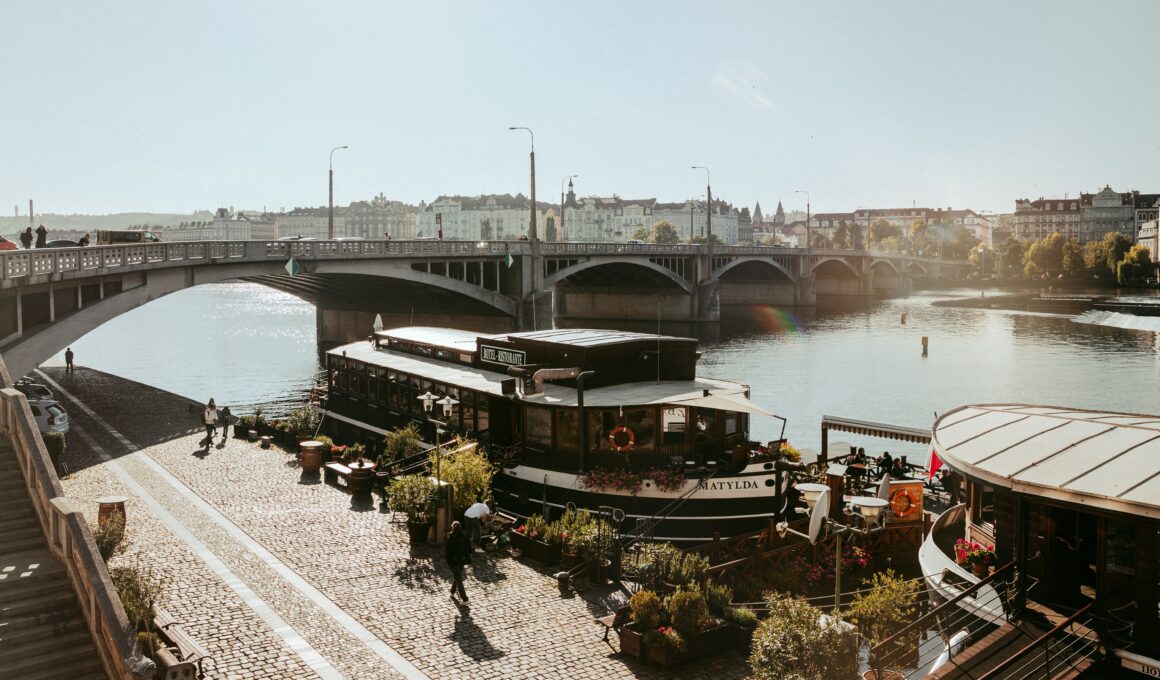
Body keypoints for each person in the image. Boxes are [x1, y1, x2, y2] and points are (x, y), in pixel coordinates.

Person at [445, 520, 472, 603]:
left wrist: (448, 560)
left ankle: (465, 599)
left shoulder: (450, 536)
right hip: (462, 559)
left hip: (454, 560)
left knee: (459, 579)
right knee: (458, 576)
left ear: (452, 527)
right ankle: (452, 591)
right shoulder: (465, 535)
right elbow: (469, 548)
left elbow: (448, 550)